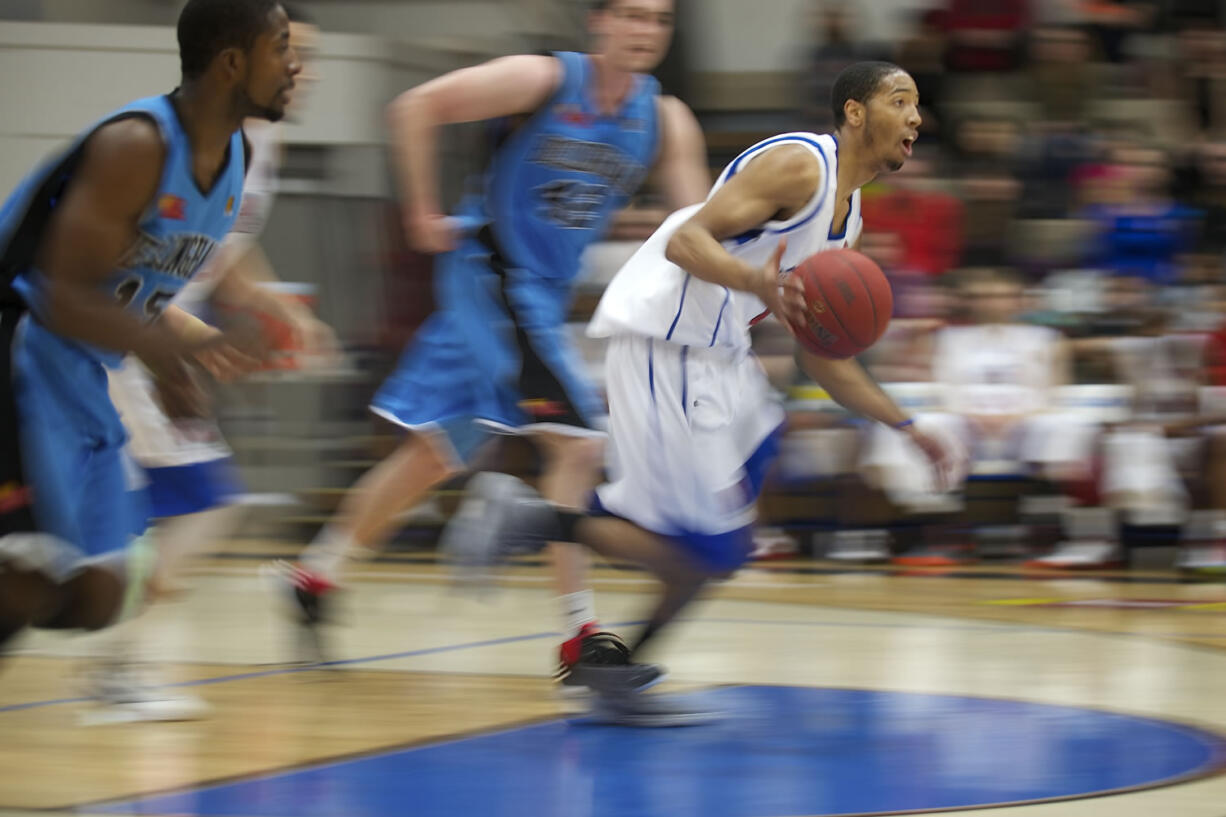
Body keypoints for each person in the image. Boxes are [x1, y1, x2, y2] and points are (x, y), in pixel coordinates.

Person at [445, 61, 954, 724]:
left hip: (719, 355)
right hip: (668, 338)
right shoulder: (802, 167)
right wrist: (760, 288)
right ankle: (527, 518)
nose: (916, 117)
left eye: (918, 105)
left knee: (729, 543)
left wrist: (905, 424)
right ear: (856, 112)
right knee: (704, 548)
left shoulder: (848, 219)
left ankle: (613, 670)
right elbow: (687, 238)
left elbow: (822, 356)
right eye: (900, 101)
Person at [278, 0, 709, 689]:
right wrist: (420, 212)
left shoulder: (665, 119)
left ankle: (313, 575)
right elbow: (413, 107)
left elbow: (695, 229)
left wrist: (738, 281)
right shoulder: (542, 78)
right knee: (579, 444)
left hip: (536, 293)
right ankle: (580, 640)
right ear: (597, 22)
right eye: (630, 15)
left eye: (658, 20)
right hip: (493, 274)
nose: (644, 31)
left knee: (431, 455)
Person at [0, 0, 301, 661]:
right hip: (18, 348)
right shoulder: (137, 145)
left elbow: (126, 293)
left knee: (101, 593)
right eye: (281, 47)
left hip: (78, 370)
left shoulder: (232, 162)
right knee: (25, 574)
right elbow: (61, 293)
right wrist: (170, 349)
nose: (295, 64)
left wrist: (181, 359)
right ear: (231, 63)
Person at [90, 5, 334, 721]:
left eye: (307, 56)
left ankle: (115, 656)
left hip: (151, 341)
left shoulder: (263, 147)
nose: (300, 70)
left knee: (179, 505)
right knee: (203, 502)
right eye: (286, 52)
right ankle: (116, 666)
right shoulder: (173, 138)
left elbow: (223, 256)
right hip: (117, 337)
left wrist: (282, 307)